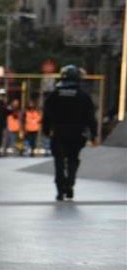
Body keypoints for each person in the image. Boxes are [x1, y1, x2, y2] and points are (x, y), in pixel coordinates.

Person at [43, 64, 99, 201]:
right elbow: (90, 118)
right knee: (73, 159)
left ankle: (60, 189)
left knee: (59, 161)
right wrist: (94, 135)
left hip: (59, 133)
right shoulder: (83, 96)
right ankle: (70, 184)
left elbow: (46, 115)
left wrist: (46, 131)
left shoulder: (54, 95)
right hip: (77, 134)